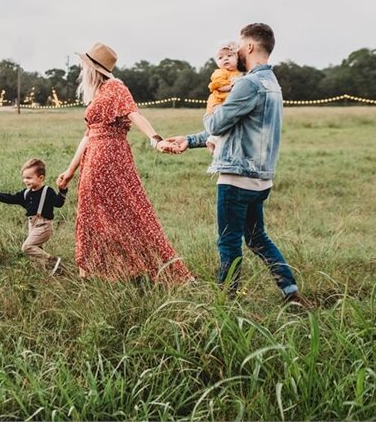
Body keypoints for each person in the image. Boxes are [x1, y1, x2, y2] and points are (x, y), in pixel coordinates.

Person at [165, 23, 311, 307]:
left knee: (228, 243)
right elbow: (236, 128)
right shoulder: (272, 84)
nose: (237, 52)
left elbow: (217, 123)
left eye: (240, 46)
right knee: (257, 239)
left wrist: (212, 106)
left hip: (236, 177)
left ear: (251, 47)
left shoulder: (247, 83)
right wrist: (190, 140)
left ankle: (225, 303)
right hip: (260, 179)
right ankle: (291, 293)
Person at [56, 42, 194, 283]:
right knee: (91, 214)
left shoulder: (115, 87)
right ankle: (92, 273)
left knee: (130, 212)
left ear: (93, 69)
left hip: (110, 158)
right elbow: (88, 135)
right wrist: (70, 170)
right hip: (94, 159)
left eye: (84, 67)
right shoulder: (98, 94)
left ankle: (143, 268)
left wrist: (156, 140)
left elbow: (134, 114)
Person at [0, 158, 67, 275]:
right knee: (36, 252)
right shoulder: (26, 193)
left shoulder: (47, 191)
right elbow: (11, 198)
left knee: (27, 247)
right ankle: (44, 273)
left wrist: (62, 191)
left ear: (41, 178)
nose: (25, 181)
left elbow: (58, 203)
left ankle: (53, 261)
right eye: (24, 178)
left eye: (29, 178)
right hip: (32, 225)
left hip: (44, 225)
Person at [205, 41, 243, 154]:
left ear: (237, 58)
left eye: (229, 56)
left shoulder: (238, 73)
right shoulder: (220, 72)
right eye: (221, 58)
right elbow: (218, 86)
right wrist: (232, 86)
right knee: (223, 121)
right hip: (217, 103)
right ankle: (214, 142)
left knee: (229, 124)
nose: (225, 59)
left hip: (226, 103)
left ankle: (212, 140)